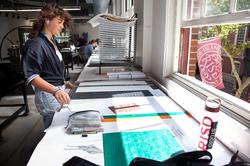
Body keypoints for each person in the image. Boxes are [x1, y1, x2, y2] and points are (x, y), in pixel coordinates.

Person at [22, 4, 73, 128]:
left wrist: (64, 81)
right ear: (47, 20)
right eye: (59, 22)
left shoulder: (52, 41)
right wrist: (55, 90)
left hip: (56, 90)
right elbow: (32, 76)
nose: (62, 26)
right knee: (56, 130)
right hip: (49, 94)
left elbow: (49, 68)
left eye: (63, 23)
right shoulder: (36, 44)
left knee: (61, 126)